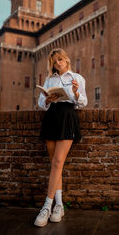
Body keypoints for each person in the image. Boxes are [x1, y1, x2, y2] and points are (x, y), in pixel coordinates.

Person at [34, 48, 87, 227]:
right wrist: (47, 100)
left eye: (60, 60)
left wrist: (75, 92)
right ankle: (60, 206)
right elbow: (41, 104)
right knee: (56, 164)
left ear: (66, 60)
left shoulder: (77, 78)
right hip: (51, 118)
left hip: (67, 117)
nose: (58, 63)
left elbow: (82, 103)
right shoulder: (49, 80)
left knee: (57, 163)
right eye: (54, 62)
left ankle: (47, 206)